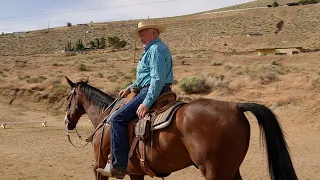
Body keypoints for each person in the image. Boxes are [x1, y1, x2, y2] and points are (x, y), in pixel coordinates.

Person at [96, 21, 174, 179]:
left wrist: (147, 102)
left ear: (154, 33)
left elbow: (157, 79)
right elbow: (145, 77)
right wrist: (130, 87)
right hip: (147, 88)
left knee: (117, 119)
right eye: (140, 34)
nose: (141, 37)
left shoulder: (156, 49)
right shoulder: (151, 49)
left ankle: (118, 166)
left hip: (152, 91)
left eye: (143, 33)